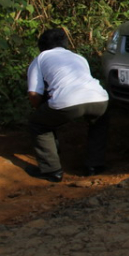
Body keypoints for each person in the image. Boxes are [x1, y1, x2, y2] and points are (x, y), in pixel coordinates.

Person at [26, 28, 109, 182]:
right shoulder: (78, 57)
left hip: (67, 102)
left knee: (38, 124)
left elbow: (33, 93)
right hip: (99, 99)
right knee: (98, 122)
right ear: (65, 44)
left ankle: (52, 171)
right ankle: (95, 165)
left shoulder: (41, 58)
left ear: (42, 46)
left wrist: (41, 110)